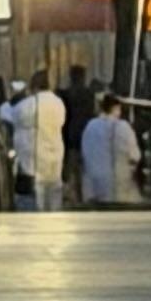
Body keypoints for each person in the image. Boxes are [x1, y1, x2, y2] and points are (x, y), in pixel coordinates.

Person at [10, 69, 64, 211]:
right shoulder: (58, 103)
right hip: (54, 151)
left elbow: (14, 116)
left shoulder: (28, 105)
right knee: (53, 188)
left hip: (33, 154)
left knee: (35, 191)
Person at [80, 92, 141, 208]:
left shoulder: (90, 126)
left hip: (93, 184)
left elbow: (85, 152)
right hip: (117, 186)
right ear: (115, 108)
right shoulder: (123, 127)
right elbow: (135, 155)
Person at [62, 65, 95, 205]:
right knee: (84, 168)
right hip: (86, 134)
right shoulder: (89, 94)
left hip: (70, 136)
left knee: (72, 168)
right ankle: (83, 196)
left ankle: (74, 196)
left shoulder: (66, 94)